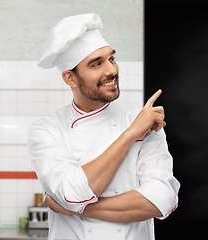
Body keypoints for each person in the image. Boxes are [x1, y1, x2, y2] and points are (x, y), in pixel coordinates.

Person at [27, 13, 180, 240]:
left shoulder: (144, 123)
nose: (111, 70)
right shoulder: (47, 130)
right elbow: (72, 194)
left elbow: (162, 200)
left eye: (111, 58)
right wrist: (130, 135)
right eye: (96, 64)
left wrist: (75, 209)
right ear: (70, 78)